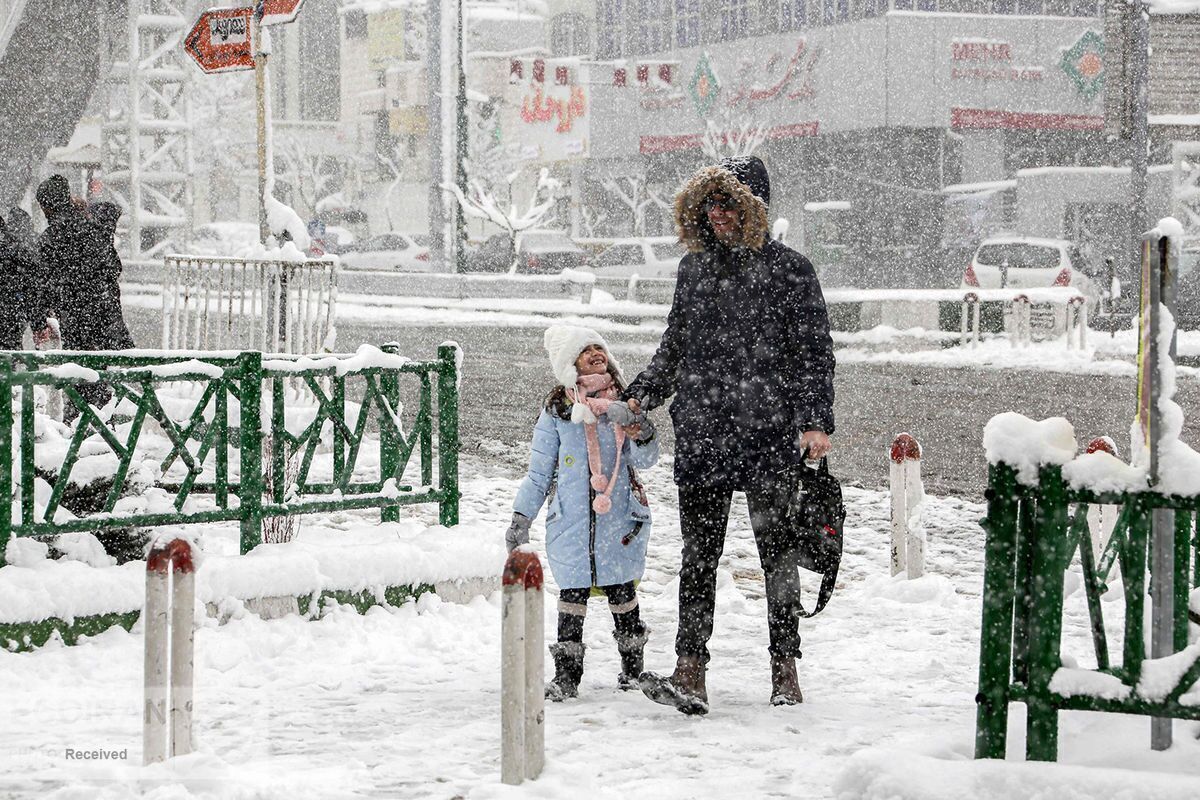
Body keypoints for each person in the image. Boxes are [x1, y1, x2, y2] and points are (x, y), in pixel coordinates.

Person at [623, 156, 836, 715]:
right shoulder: (693, 271)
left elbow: (815, 354)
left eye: (729, 205)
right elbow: (674, 347)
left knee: (777, 556)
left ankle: (784, 666)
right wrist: (642, 393)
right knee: (699, 556)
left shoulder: (792, 270)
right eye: (710, 205)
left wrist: (816, 421)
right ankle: (690, 668)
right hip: (704, 433)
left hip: (769, 434)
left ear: (753, 210)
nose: (718, 215)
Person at [507, 324, 660, 701]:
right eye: (585, 350)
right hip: (572, 521)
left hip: (619, 517)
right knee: (572, 597)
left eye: (599, 347)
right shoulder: (558, 411)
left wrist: (640, 430)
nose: (596, 353)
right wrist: (521, 517)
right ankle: (567, 677)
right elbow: (540, 472)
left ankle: (632, 670)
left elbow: (646, 459)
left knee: (622, 592)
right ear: (568, 364)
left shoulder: (624, 403)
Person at [34, 175, 135, 416]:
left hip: (76, 319)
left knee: (78, 376)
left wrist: (40, 319)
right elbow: (113, 268)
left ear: (48, 206)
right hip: (104, 315)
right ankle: (102, 426)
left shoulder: (50, 239)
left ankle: (82, 424)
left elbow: (43, 285)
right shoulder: (94, 227)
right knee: (99, 376)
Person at [0, 209, 44, 349]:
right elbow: (31, 284)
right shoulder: (16, 248)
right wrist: (38, 322)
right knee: (10, 351)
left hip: (9, 312)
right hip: (10, 314)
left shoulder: (12, 249)